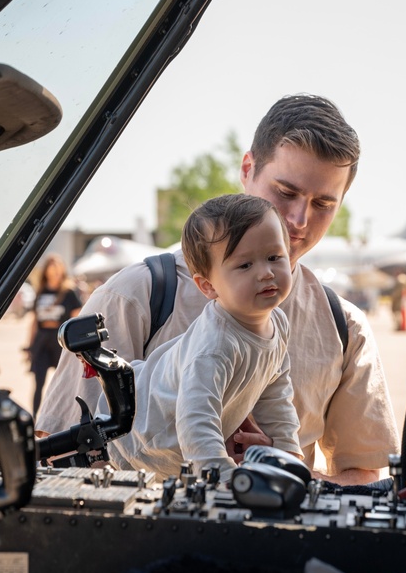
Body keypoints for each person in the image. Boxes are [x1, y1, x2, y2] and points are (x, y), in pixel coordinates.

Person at [37, 94, 400, 485]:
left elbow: (363, 475)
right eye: (286, 192)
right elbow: (58, 459)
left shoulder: (344, 326)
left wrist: (283, 472)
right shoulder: (134, 296)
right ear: (248, 169)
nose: (298, 220)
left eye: (324, 203)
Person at [106, 194, 301, 479]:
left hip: (185, 456)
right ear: (208, 286)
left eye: (274, 257)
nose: (266, 273)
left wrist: (287, 453)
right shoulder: (216, 343)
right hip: (145, 447)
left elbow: (276, 393)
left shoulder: (278, 324)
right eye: (245, 265)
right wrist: (221, 478)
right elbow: (197, 418)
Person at [26, 254, 82, 416]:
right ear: (46, 271)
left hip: (61, 340)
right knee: (38, 382)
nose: (55, 272)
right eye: (52, 268)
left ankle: (65, 416)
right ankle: (35, 418)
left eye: (57, 268)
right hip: (42, 340)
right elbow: (35, 322)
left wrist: (76, 346)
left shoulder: (69, 293)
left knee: (64, 382)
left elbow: (76, 319)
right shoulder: (41, 292)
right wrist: (30, 346)